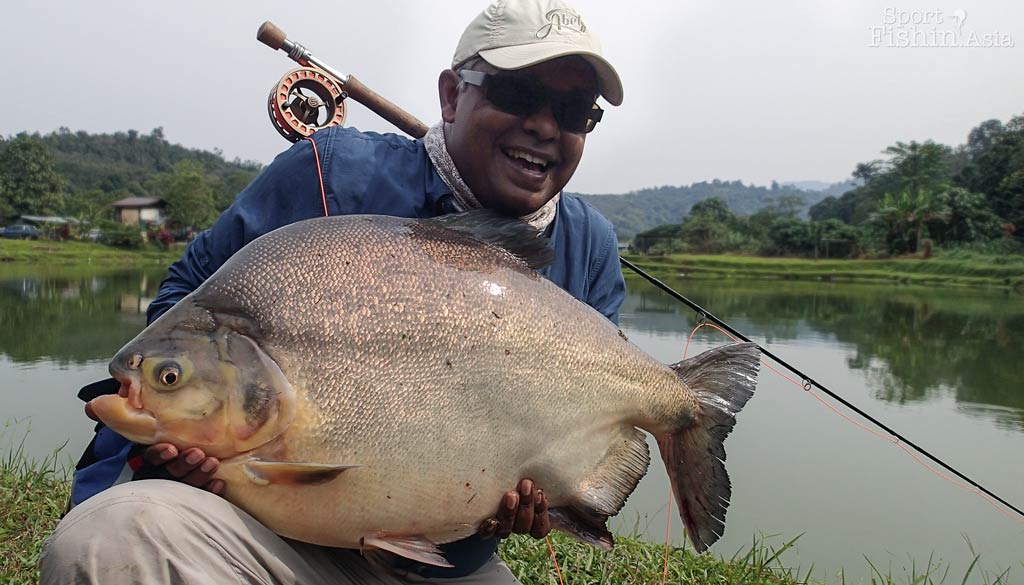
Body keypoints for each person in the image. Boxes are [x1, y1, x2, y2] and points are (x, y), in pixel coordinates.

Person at [41, 0, 625, 583]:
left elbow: (594, 440)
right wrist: (193, 422)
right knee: (107, 543)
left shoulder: (589, 247)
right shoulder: (332, 174)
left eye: (575, 112)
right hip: (267, 541)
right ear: (451, 95)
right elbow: (182, 304)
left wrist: (549, 495)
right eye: (518, 96)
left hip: (442, 567)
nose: (546, 127)